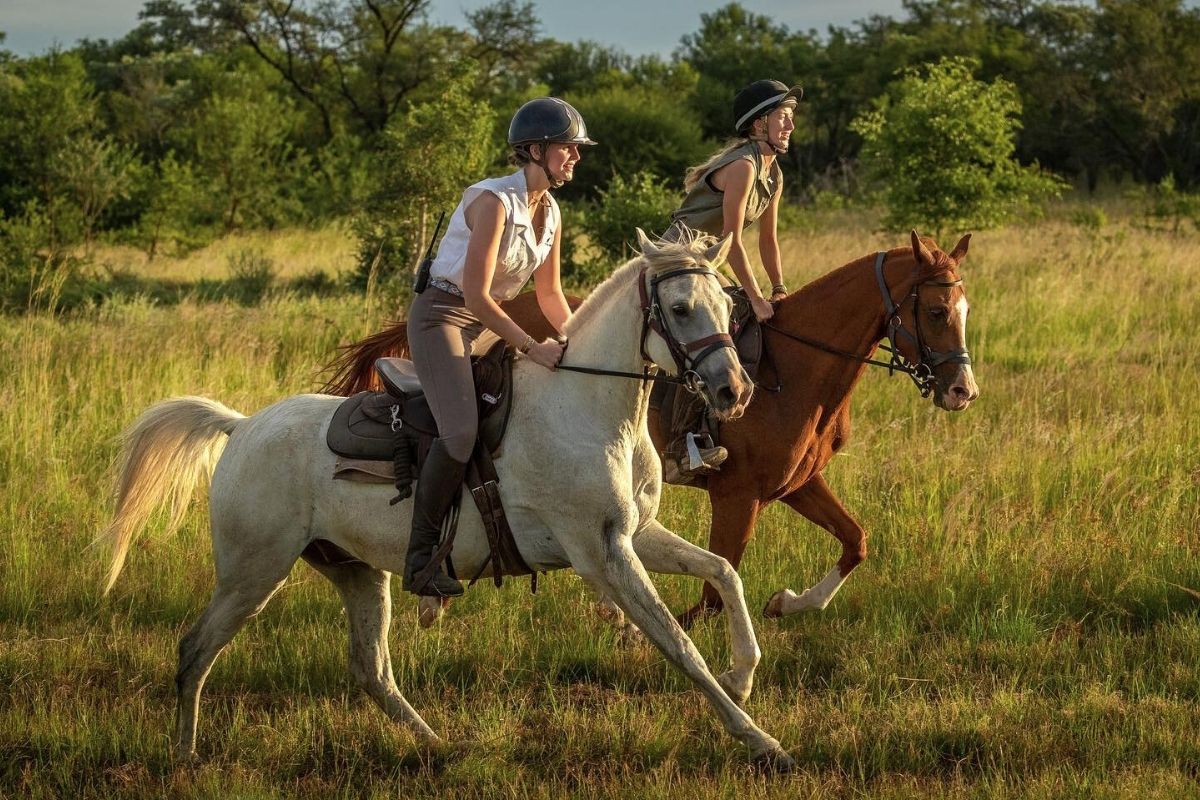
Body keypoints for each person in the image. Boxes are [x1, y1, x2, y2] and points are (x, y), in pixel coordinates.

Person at [403, 97, 595, 597]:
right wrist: (533, 347)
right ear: (534, 150)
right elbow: (476, 297)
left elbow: (550, 295)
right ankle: (420, 558)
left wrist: (581, 343)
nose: (575, 156)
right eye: (567, 148)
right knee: (462, 432)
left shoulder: (550, 211)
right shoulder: (493, 201)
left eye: (577, 149)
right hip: (444, 316)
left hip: (488, 323)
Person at [660, 79, 801, 482]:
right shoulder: (742, 166)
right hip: (680, 256)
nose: (790, 125)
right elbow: (734, 240)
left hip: (709, 261)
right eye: (783, 117)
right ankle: (682, 444)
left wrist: (778, 287)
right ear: (759, 125)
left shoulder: (773, 175)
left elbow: (769, 240)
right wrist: (755, 297)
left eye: (791, 118)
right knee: (711, 329)